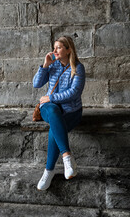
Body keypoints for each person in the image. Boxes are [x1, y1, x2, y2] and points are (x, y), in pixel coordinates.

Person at [33, 36, 85, 190]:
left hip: (72, 111)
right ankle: (67, 157)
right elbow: (36, 84)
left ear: (69, 50)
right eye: (54, 47)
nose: (54, 51)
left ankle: (48, 172)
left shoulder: (78, 67)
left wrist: (51, 97)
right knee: (54, 110)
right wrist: (44, 65)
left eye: (59, 48)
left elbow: (74, 93)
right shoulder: (52, 65)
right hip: (49, 108)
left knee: (54, 131)